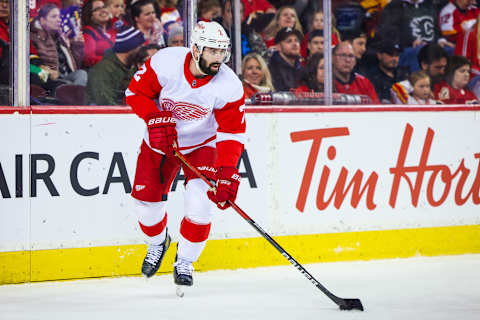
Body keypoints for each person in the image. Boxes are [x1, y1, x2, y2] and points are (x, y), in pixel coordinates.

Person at [125, 21, 246, 288]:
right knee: (146, 207)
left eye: (222, 52)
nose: (218, 59)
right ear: (195, 49)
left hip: (202, 145)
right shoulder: (166, 62)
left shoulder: (229, 85)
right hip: (159, 143)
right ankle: (158, 244)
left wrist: (227, 172)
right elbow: (135, 93)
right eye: (212, 51)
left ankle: (185, 261)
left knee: (200, 205)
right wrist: (154, 119)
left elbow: (231, 132)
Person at [30, 3, 87, 94]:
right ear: (42, 20)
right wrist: (46, 70)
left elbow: (76, 64)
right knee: (67, 86)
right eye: (54, 17)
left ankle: (75, 99)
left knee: (81, 74)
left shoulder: (61, 38)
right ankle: (75, 100)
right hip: (49, 78)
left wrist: (77, 46)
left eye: (59, 17)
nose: (58, 20)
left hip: (66, 76)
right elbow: (31, 65)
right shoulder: (33, 37)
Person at [86, 26, 145, 105]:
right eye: (140, 47)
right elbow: (104, 102)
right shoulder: (103, 70)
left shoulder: (133, 67)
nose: (143, 51)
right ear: (131, 47)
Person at [82, 0, 117, 68]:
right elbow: (88, 58)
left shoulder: (113, 31)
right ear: (90, 16)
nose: (103, 10)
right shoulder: (88, 32)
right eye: (97, 9)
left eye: (104, 7)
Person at [268, 27, 303, 91]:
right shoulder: (271, 69)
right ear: (278, 47)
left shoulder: (301, 67)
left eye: (297, 40)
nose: (295, 44)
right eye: (289, 41)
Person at [0, 0, 9, 85]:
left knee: (42, 73)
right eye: (1, 1)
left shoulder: (20, 27)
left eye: (8, 2)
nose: (4, 5)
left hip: (20, 67)